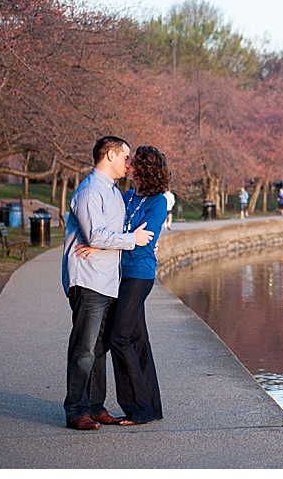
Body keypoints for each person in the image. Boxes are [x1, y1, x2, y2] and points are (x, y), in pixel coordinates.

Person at [61, 136, 153, 431]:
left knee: (99, 348)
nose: (128, 164)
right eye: (125, 157)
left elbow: (102, 237)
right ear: (110, 155)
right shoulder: (90, 192)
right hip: (88, 279)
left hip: (107, 280)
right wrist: (131, 241)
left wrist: (107, 244)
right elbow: (96, 235)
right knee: (84, 347)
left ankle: (95, 406)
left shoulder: (112, 192)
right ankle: (76, 410)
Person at [108, 145, 169, 425]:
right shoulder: (127, 196)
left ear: (143, 168)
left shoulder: (158, 202)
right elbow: (122, 234)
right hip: (120, 271)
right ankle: (151, 408)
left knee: (119, 337)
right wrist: (125, 237)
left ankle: (138, 409)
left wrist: (125, 237)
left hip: (139, 274)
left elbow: (146, 238)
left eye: (132, 162)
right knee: (137, 340)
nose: (127, 165)